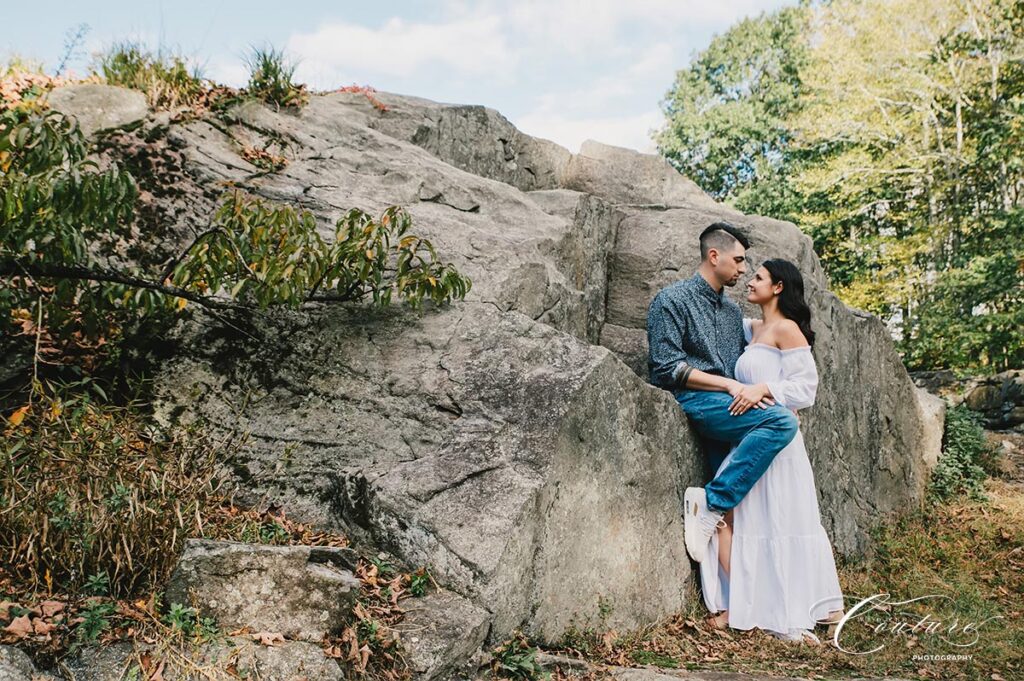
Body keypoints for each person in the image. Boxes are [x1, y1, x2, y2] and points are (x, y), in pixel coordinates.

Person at [699, 259, 844, 644]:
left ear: (778, 287)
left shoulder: (787, 329)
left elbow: (805, 389)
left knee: (777, 522)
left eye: (758, 277)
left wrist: (763, 389)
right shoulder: (752, 329)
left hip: (777, 444)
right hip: (749, 437)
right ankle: (747, 604)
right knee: (735, 520)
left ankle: (786, 607)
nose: (750, 281)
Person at [646, 222, 799, 564]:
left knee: (733, 516)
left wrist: (775, 392)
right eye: (739, 260)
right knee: (782, 423)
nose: (744, 270)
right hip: (694, 401)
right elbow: (666, 368)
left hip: (730, 411)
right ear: (714, 256)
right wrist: (729, 385)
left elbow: (769, 345)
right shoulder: (670, 301)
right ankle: (710, 503)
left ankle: (727, 607)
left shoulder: (732, 313)